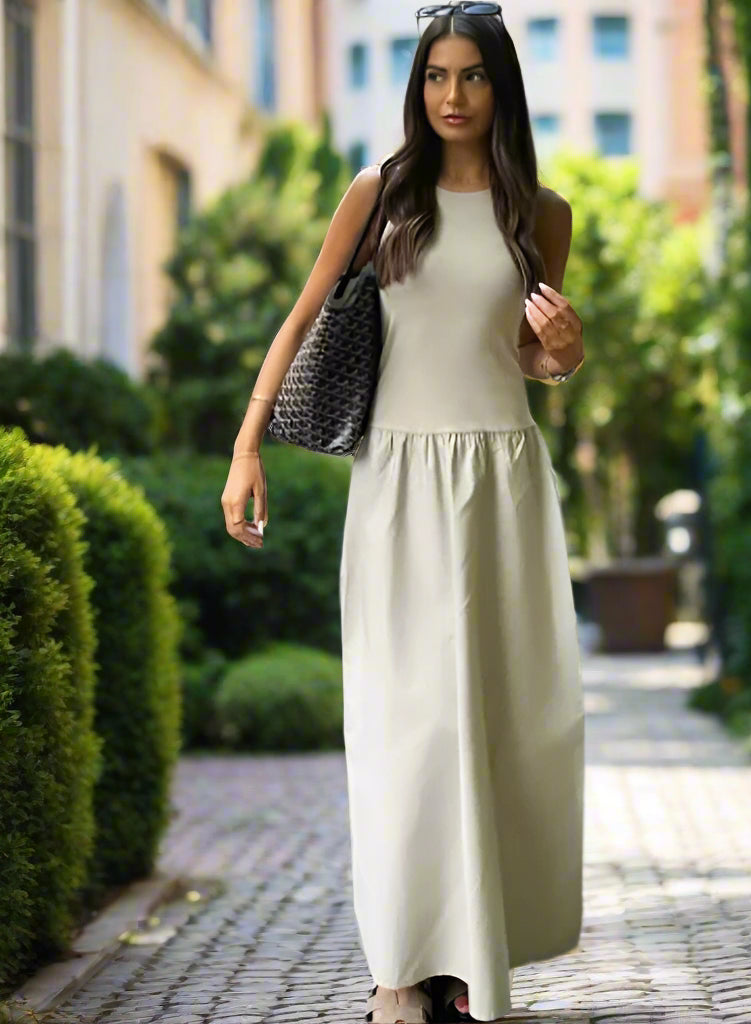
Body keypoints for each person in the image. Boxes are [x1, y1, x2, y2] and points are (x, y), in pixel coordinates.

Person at [221, 4, 586, 1021]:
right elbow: (302, 318)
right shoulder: (379, 194)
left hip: (503, 484)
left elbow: (522, 355)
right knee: (405, 725)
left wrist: (563, 356)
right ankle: (398, 967)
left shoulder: (541, 214)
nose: (452, 95)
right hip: (397, 485)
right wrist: (248, 447)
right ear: (416, 86)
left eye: (472, 76)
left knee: (504, 722)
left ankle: (472, 960)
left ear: (501, 88)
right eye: (436, 75)